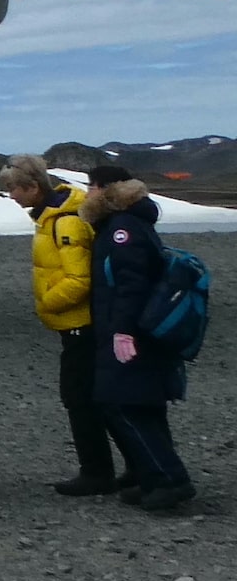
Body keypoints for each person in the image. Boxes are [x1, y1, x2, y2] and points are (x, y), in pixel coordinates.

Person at [0, 153, 128, 495]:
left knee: (80, 397)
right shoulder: (54, 217)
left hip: (79, 325)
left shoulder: (64, 222)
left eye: (15, 189)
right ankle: (131, 466)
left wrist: (46, 301)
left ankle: (97, 472)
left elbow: (78, 280)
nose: (12, 196)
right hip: (78, 325)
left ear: (32, 187)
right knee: (90, 396)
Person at [83, 164, 197, 512]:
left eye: (91, 186)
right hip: (140, 330)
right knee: (144, 406)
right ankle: (154, 478)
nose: (87, 193)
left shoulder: (122, 229)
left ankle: (168, 481)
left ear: (105, 189)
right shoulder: (132, 221)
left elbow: (131, 284)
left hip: (131, 333)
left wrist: (122, 330)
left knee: (124, 405)